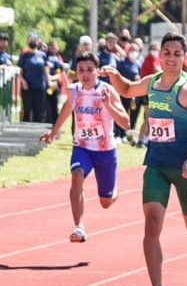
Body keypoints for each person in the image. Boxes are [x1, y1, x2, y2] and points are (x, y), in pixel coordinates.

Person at [100, 32, 187, 286]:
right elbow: (128, 89)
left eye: (177, 53)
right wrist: (114, 75)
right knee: (152, 225)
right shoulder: (152, 82)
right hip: (156, 165)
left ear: (184, 57)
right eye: (167, 52)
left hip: (184, 167)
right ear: (159, 55)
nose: (171, 58)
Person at [39, 52, 130, 242]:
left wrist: (107, 105)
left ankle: (113, 190)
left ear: (97, 71)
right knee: (76, 174)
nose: (85, 74)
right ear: (76, 72)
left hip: (105, 151)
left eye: (89, 70)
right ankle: (79, 227)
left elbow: (126, 123)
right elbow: (66, 111)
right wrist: (54, 132)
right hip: (82, 147)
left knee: (106, 202)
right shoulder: (74, 91)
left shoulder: (107, 91)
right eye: (81, 70)